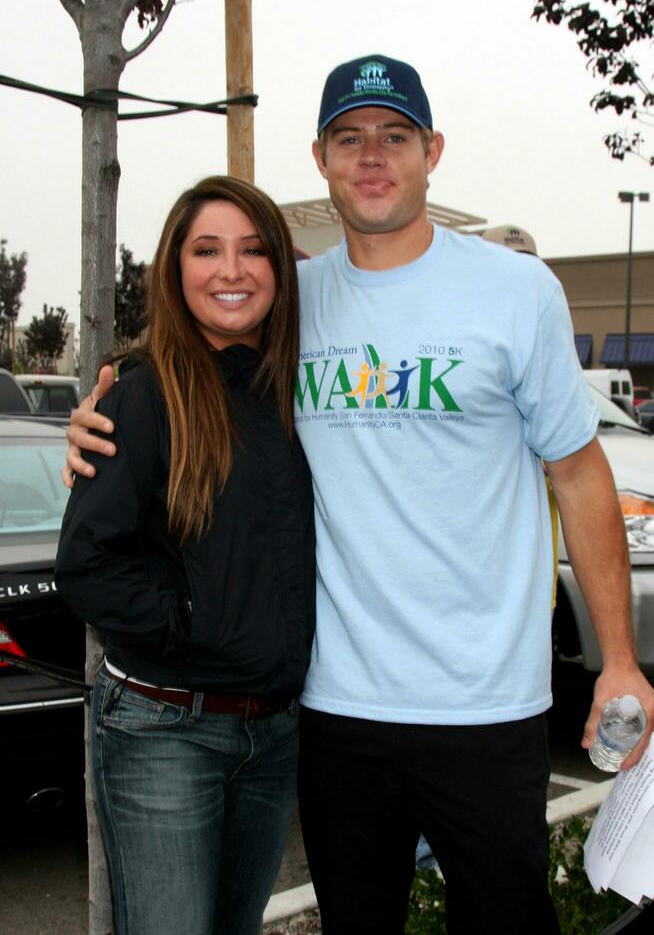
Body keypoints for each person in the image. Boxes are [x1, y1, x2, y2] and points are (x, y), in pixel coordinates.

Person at [64, 56, 654, 935]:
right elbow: (196, 352)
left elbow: (578, 471)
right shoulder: (296, 303)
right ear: (321, 158)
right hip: (337, 708)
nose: (371, 156)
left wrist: (617, 657)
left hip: (487, 704)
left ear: (432, 151)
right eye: (350, 138)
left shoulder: (516, 291)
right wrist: (109, 397)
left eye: (394, 136)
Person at [55, 176, 315, 935]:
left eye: (253, 250)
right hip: (166, 730)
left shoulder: (292, 394)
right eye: (207, 250)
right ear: (175, 268)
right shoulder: (140, 397)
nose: (231, 271)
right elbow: (87, 563)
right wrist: (193, 626)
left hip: (273, 735)